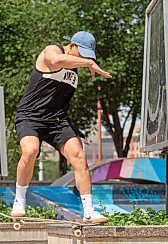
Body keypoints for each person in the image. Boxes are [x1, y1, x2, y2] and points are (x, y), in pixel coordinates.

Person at [11, 31, 112, 224]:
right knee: (31, 150)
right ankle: (19, 200)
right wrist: (89, 64)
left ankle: (89, 212)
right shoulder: (51, 50)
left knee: (80, 157)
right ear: (72, 46)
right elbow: (56, 60)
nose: (83, 60)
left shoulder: (74, 68)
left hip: (57, 120)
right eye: (81, 54)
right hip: (31, 117)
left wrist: (86, 62)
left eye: (87, 57)